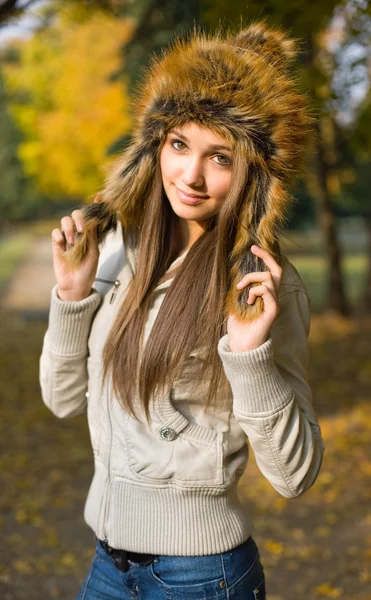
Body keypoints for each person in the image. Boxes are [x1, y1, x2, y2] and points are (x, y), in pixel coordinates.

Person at [39, 20, 325, 600]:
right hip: (107, 566)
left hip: (201, 578)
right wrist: (72, 297)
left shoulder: (261, 287)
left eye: (219, 157)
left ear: (254, 176)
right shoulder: (118, 250)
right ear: (154, 147)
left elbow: (295, 476)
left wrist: (249, 357)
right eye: (178, 145)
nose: (190, 176)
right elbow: (63, 399)